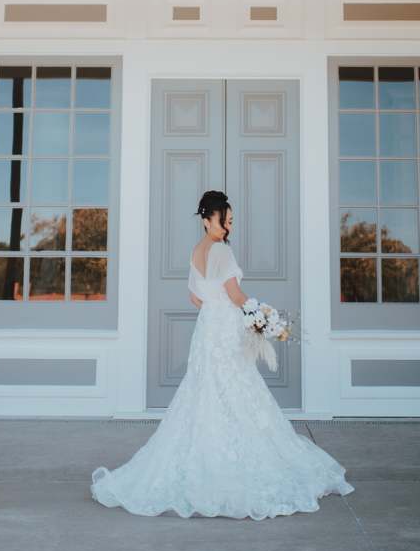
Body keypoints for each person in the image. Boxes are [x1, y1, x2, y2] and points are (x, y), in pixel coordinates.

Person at [91, 190, 353, 518]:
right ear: (206, 220)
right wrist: (264, 317)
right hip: (224, 333)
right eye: (223, 221)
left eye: (229, 222)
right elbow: (235, 294)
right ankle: (234, 456)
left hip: (206, 332)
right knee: (237, 390)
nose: (227, 227)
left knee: (205, 392)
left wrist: (216, 310)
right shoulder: (223, 253)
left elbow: (193, 298)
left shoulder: (196, 252)